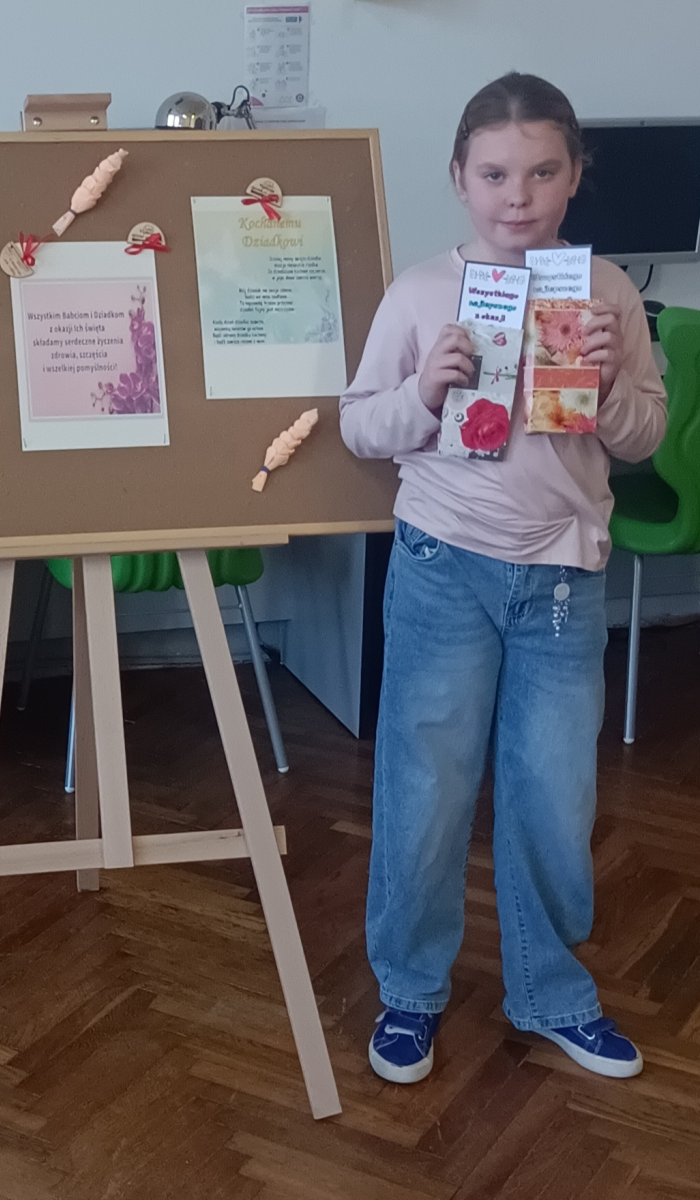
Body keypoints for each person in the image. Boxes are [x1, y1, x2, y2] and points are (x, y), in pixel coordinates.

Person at [340, 72, 666, 1085]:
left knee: (553, 794)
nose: (515, 196)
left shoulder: (603, 293)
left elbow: (642, 437)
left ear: (574, 176)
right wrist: (421, 390)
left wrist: (606, 385)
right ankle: (409, 991)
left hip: (562, 578)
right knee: (424, 785)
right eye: (493, 174)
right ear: (458, 178)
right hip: (443, 563)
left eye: (539, 172)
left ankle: (551, 991)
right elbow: (359, 427)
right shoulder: (420, 292)